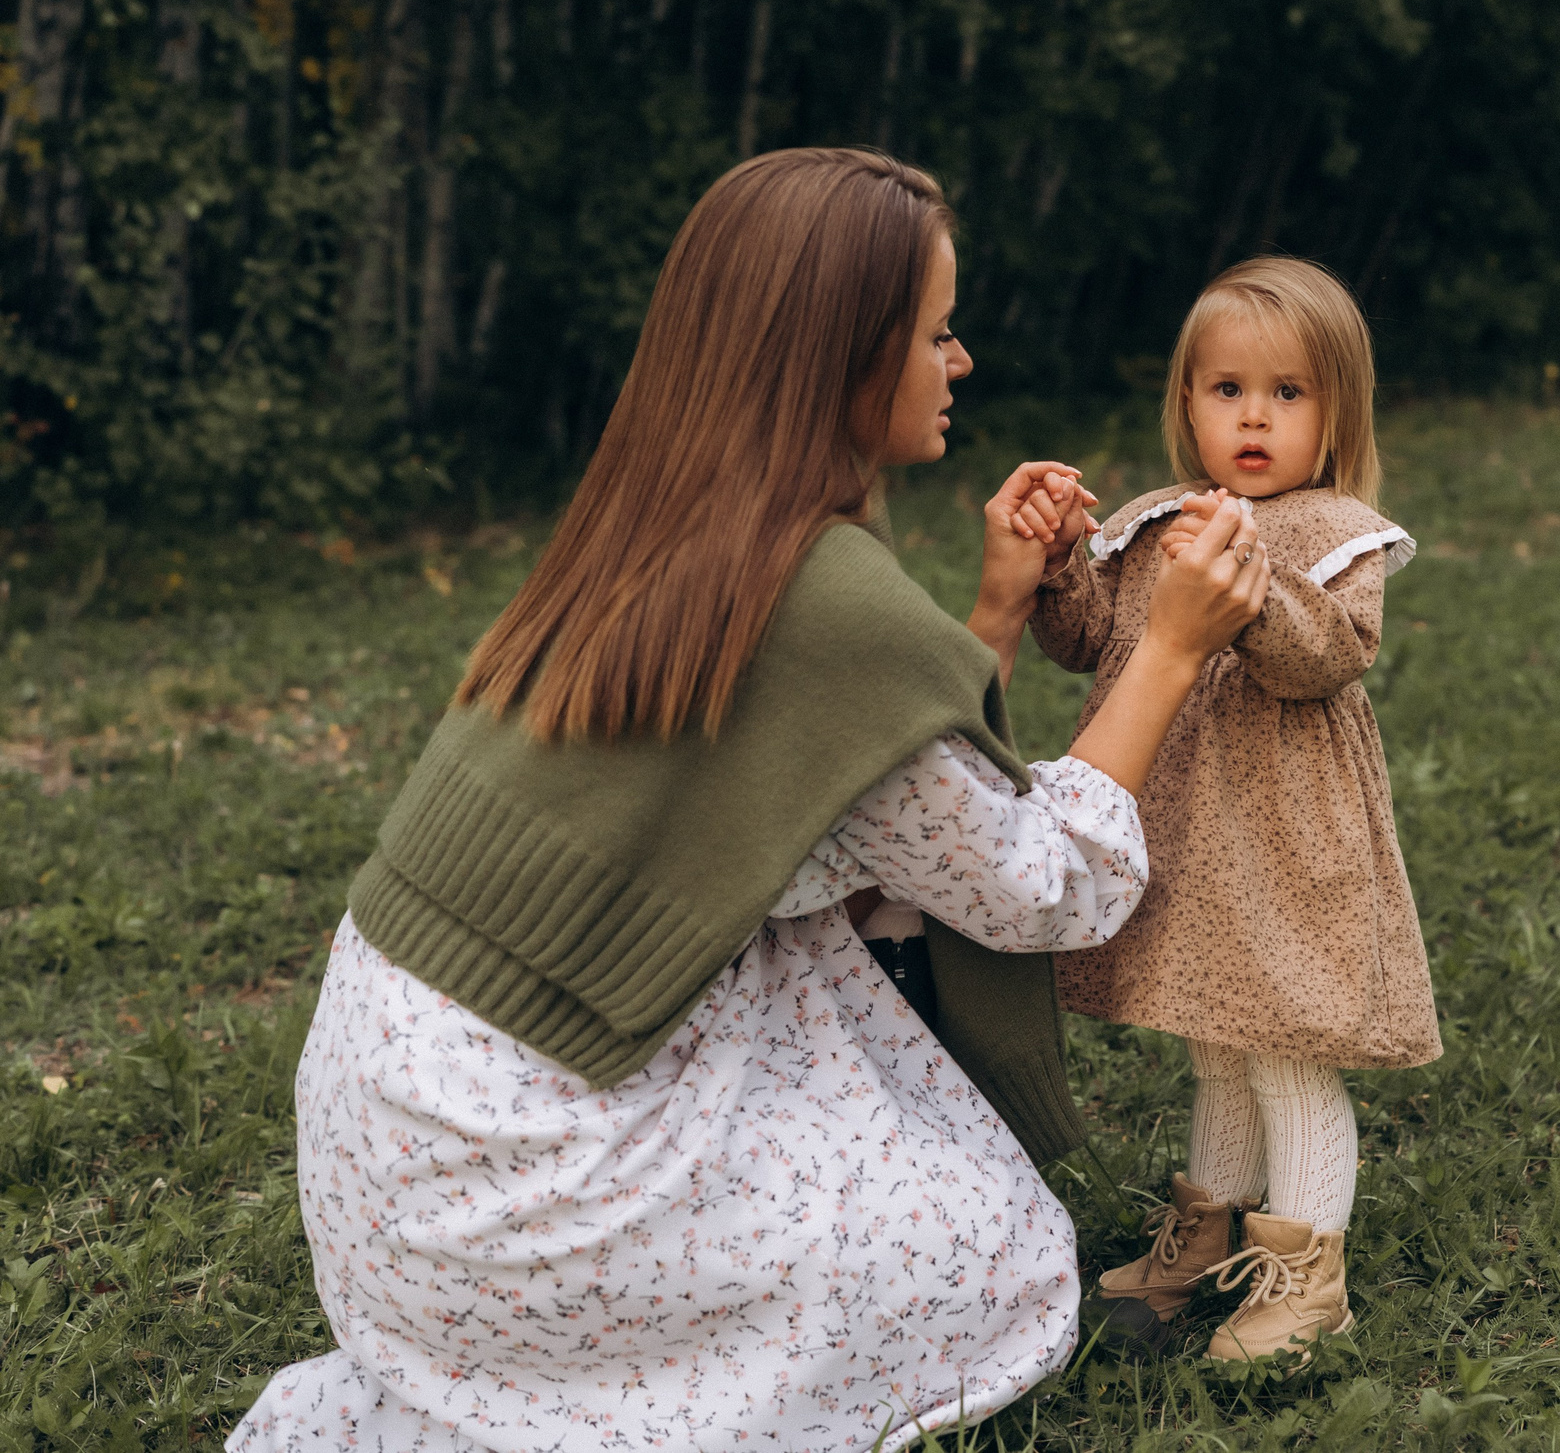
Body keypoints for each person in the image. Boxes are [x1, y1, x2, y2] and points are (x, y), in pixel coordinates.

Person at [225, 148, 1270, 1452]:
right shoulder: (821, 591)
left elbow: (866, 790)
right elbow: (1030, 882)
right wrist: (1170, 649)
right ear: (843, 358)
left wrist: (993, 613)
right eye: (937, 333)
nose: (962, 362)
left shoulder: (647, 522)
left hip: (391, 1162)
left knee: (839, 991)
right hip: (522, 1200)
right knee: (982, 1248)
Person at [1018, 256, 1441, 1365]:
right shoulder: (1159, 519)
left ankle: (1307, 1274)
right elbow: (1083, 645)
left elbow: (1325, 659)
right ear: (1188, 402)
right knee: (1215, 1035)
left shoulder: (1335, 529)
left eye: (1288, 394)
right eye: (1227, 390)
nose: (1254, 417)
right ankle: (1208, 1231)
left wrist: (1250, 586)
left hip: (1282, 836)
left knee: (1286, 1041)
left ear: (1335, 411)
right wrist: (1060, 557)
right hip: (1186, 827)